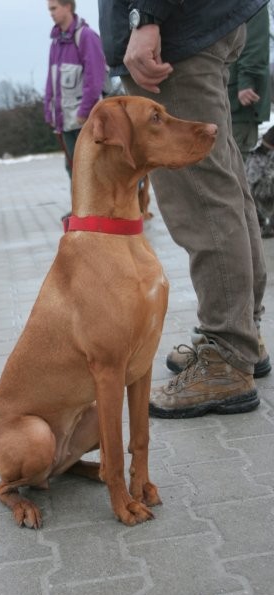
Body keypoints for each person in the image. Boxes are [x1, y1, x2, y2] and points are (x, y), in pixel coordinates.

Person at [98, 0, 271, 418]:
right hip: (197, 24)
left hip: (175, 33)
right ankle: (241, 335)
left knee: (201, 198)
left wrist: (147, 16)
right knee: (222, 182)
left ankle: (227, 359)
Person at [44, 0, 107, 217]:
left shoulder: (86, 36)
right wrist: (49, 109)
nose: (50, 13)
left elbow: (95, 76)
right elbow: (51, 79)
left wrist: (85, 111)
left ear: (68, 7)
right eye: (49, 9)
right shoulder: (55, 42)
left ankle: (101, 209)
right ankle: (82, 210)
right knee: (73, 166)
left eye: (54, 8)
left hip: (84, 119)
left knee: (93, 166)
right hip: (64, 118)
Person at [228, 5, 271, 160]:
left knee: (233, 164)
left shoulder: (252, 3)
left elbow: (255, 43)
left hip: (238, 102)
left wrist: (247, 81)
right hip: (223, 96)